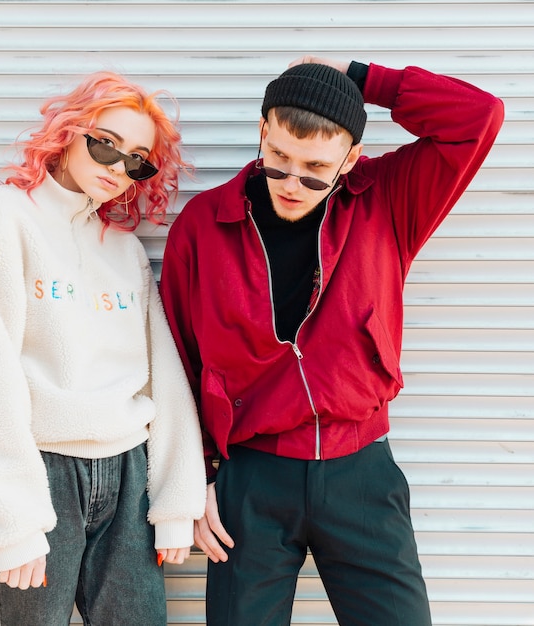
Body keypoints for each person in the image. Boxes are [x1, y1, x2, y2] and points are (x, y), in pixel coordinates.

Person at [159, 56, 504, 626]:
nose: (292, 184)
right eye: (279, 160)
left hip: (361, 473)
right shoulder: (201, 225)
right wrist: (192, 479)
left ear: (350, 160)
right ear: (263, 133)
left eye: (316, 169)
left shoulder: (389, 203)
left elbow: (479, 117)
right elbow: (177, 362)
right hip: (252, 479)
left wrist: (361, 77)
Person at [0, 71, 206, 626]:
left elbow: (163, 377)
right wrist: (13, 518)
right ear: (69, 130)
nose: (118, 167)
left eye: (138, 160)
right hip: (39, 472)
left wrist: (177, 503)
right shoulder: (2, 219)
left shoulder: (124, 250)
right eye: (106, 144)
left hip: (128, 476)